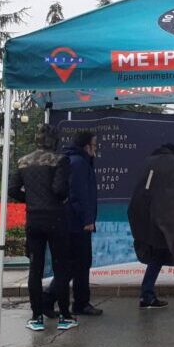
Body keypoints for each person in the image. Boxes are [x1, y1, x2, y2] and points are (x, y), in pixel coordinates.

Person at [8, 124, 78, 331]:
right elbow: (59, 189)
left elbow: (12, 189)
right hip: (56, 218)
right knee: (61, 267)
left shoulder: (23, 161)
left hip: (33, 219)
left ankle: (36, 316)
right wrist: (62, 198)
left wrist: (30, 198)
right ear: (54, 140)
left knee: (35, 269)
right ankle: (65, 315)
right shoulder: (60, 160)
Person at [128, 143, 174, 316]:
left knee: (157, 254)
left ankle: (146, 296)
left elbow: (140, 193)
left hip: (150, 219)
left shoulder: (146, 164)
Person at [62, 130, 102, 316]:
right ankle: (78, 303)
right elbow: (78, 194)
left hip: (73, 222)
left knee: (77, 264)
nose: (95, 149)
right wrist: (87, 220)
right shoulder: (79, 163)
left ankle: (79, 301)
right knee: (80, 263)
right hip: (77, 224)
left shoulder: (78, 161)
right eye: (94, 145)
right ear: (87, 146)